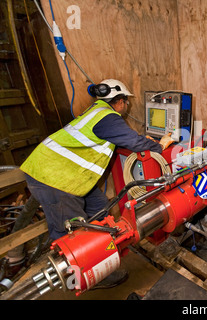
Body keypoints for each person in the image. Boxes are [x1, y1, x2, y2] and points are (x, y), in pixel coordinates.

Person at [16, 79, 173, 289]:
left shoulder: (95, 112)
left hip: (60, 173)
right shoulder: (108, 117)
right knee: (70, 232)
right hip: (54, 179)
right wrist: (160, 145)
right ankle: (79, 279)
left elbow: (124, 139)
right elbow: (134, 143)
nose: (126, 106)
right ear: (119, 101)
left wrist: (138, 139)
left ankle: (101, 251)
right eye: (125, 102)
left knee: (100, 208)